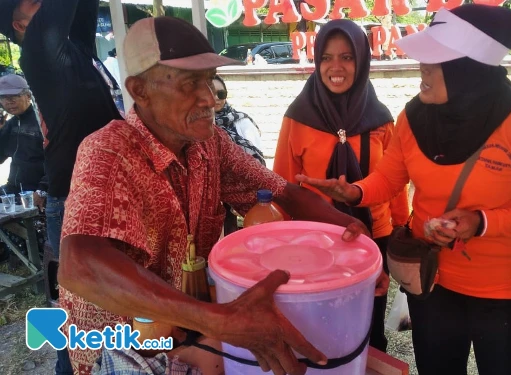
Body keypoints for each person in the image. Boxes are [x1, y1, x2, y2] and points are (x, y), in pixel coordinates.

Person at [56, 16, 386, 374]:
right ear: (140, 90)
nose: (210, 99)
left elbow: (284, 192)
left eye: (209, 81)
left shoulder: (208, 144)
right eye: (189, 84)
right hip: (119, 351)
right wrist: (220, 321)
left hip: (187, 331)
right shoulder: (109, 150)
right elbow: (79, 265)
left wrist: (351, 230)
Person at [297, 5, 511, 375]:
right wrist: (356, 193)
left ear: (469, 68)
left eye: (434, 61)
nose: (421, 69)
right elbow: (389, 178)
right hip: (432, 281)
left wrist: (481, 222)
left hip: (506, 289)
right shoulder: (414, 116)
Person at [0, 0, 125, 373]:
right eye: (38, 4)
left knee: (115, 309)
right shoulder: (38, 51)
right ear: (19, 25)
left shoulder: (75, 50)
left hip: (104, 191)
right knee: (79, 317)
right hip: (74, 200)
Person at [273, 19, 409, 353]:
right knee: (320, 332)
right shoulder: (298, 118)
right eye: (327, 58)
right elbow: (283, 187)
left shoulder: (380, 119)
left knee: (369, 332)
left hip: (373, 239)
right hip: (316, 242)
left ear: (361, 62)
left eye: (347, 57)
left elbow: (394, 183)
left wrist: (402, 231)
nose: (336, 67)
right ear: (317, 61)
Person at [213, 74, 265, 235]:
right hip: (213, 195)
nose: (216, 98)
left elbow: (256, 158)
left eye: (221, 94)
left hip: (242, 188)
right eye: (211, 93)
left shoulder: (241, 121)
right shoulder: (199, 125)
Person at [0, 74, 46, 198]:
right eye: (3, 97)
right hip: (13, 189)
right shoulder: (10, 124)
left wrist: (42, 190)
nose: (9, 102)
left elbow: (59, 160)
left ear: (28, 96)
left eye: (14, 96)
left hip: (38, 191)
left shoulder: (43, 121)